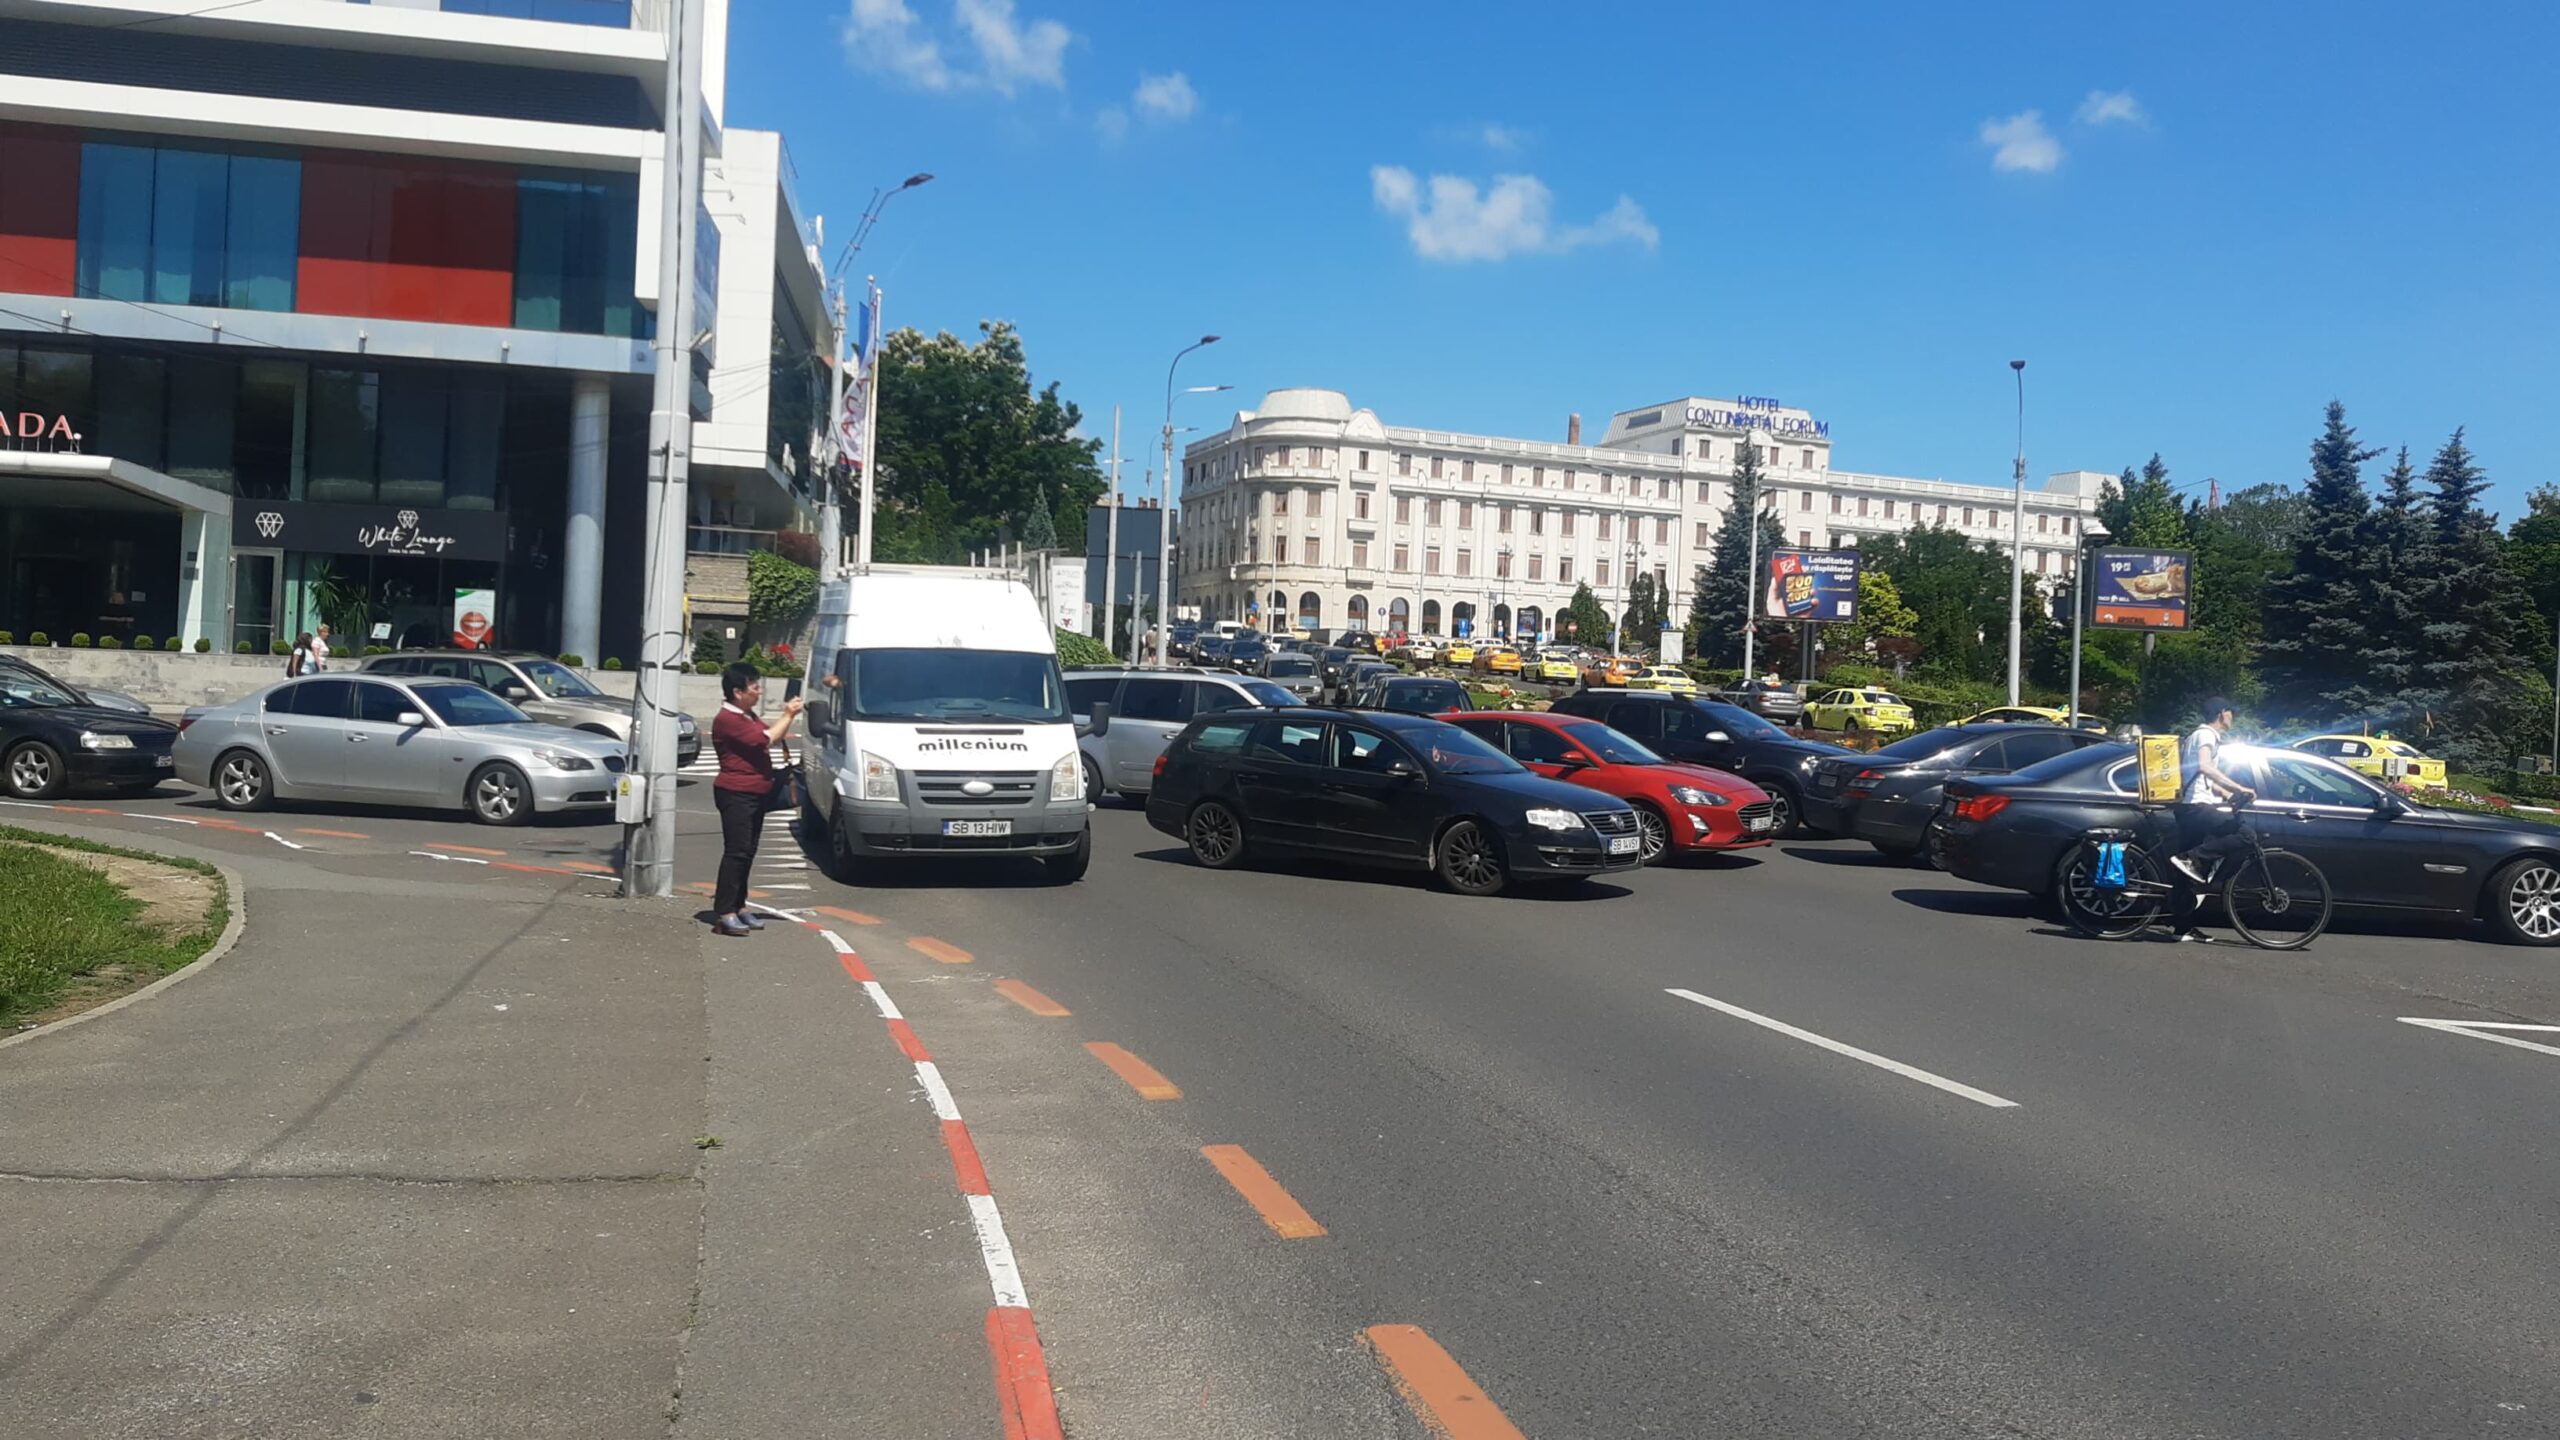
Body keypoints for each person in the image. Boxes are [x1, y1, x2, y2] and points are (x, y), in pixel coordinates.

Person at [2144, 696, 2258, 942]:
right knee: (2246, 835)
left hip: (2193, 805)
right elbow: (2205, 767)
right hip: (2195, 807)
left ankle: (2182, 927)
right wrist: (2239, 787)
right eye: (2231, 713)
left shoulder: (2202, 736)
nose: (2233, 718)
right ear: (2221, 713)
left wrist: (2227, 794)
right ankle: (2191, 858)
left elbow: (2203, 778)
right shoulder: (2206, 735)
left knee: (2186, 875)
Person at [709, 662, 802, 937]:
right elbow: (766, 738)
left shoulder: (746, 715)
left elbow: (774, 736)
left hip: (754, 792)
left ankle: (739, 905)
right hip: (735, 792)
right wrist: (787, 713)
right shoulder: (727, 719)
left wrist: (788, 717)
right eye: (754, 687)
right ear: (738, 692)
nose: (759, 692)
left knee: (747, 851)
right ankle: (725, 911)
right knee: (736, 852)